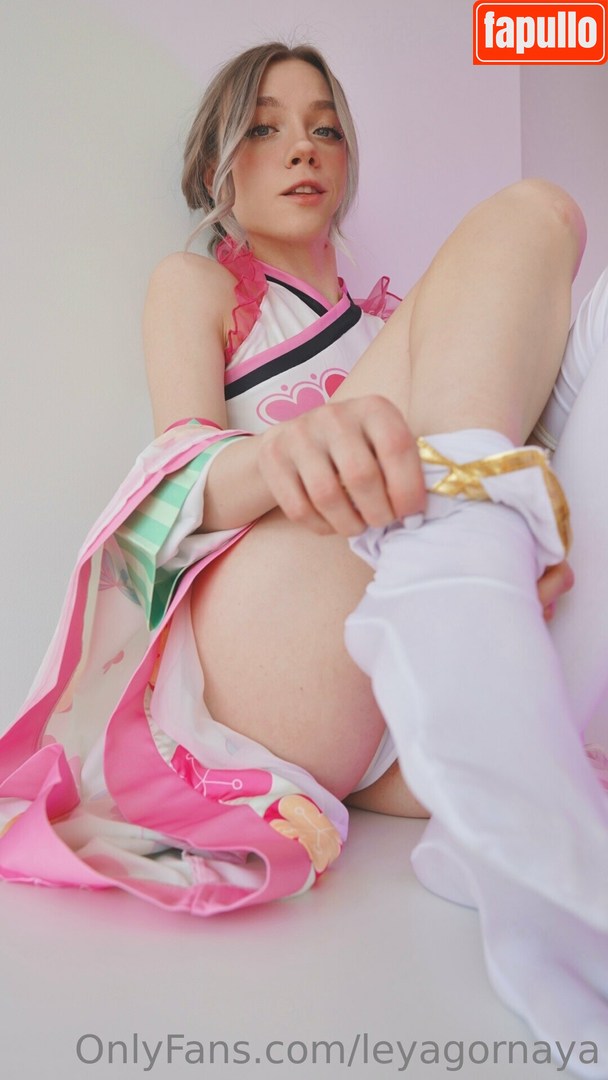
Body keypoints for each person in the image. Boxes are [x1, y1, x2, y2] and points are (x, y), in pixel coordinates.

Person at [1, 41, 607, 1070]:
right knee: (534, 214)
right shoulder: (200, 284)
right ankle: (466, 578)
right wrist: (284, 454)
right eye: (266, 126)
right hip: (274, 662)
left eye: (325, 128)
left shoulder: (402, 328)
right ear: (216, 166)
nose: (303, 148)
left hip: (386, 730)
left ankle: (478, 614)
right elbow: (177, 470)